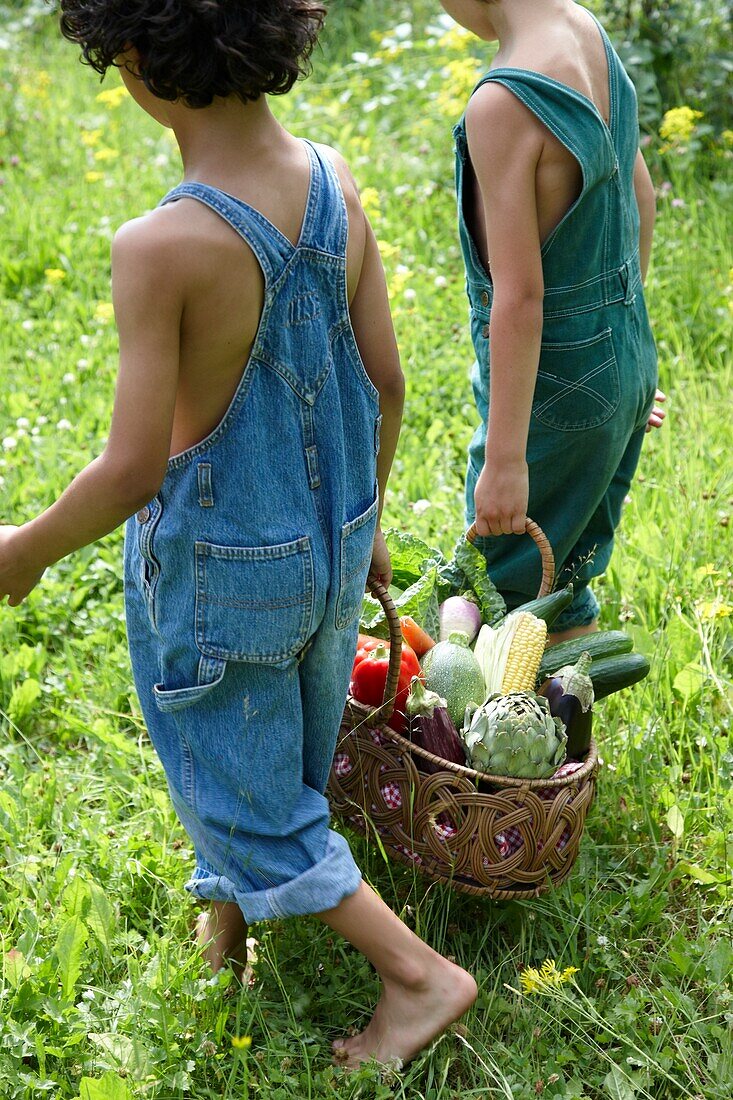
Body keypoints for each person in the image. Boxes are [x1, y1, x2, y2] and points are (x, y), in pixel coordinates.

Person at [0, 0, 476, 1068]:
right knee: (280, 755)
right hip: (332, 542)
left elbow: (131, 470)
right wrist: (367, 526)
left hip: (222, 577)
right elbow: (385, 384)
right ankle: (228, 929)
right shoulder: (336, 180)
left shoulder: (161, 244)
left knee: (240, 783)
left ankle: (419, 976)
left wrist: (26, 545)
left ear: (126, 58)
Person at [443, 0, 666, 642]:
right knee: (562, 578)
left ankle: (536, 741)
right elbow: (639, 193)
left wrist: (506, 460)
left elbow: (519, 297)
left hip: (555, 390)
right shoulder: (585, 29)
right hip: (620, 357)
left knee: (502, 593)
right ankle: (575, 738)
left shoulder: (503, 101)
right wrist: (620, 352)